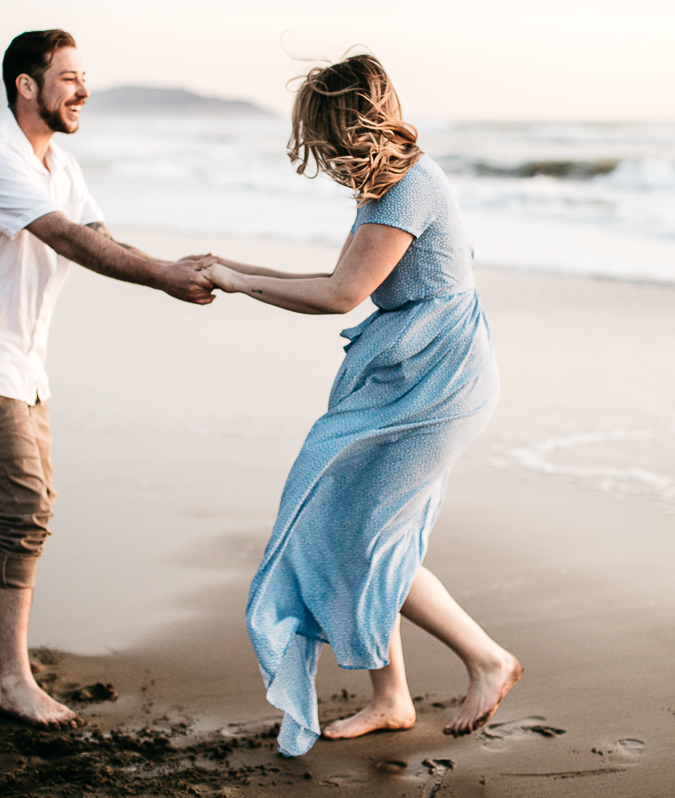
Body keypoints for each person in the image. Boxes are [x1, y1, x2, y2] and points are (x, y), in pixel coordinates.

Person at [205, 55, 521, 756]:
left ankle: (487, 659)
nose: (318, 153)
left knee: (365, 535)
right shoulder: (383, 191)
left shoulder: (411, 186)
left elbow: (340, 296)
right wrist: (236, 270)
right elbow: (338, 276)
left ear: (344, 125)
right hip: (410, 373)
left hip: (441, 382)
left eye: (319, 136)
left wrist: (236, 281)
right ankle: (393, 697)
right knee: (366, 532)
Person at [0, 30, 216, 729]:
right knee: (24, 513)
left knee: (25, 506)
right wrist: (163, 277)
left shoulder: (60, 165)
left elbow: (100, 236)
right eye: (69, 77)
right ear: (26, 85)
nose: (83, 90)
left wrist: (175, 267)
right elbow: (69, 239)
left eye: (84, 77)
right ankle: (14, 682)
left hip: (21, 365)